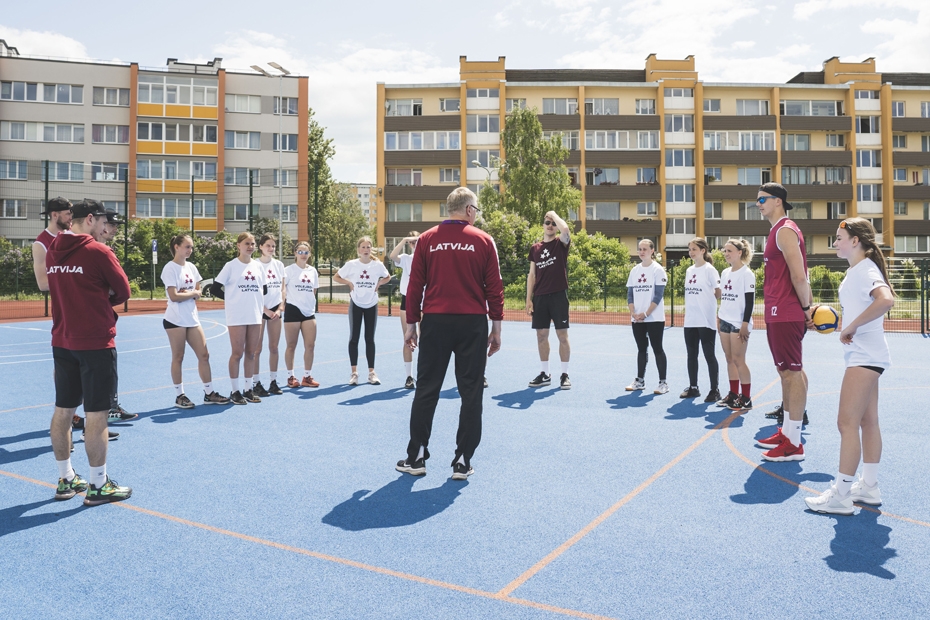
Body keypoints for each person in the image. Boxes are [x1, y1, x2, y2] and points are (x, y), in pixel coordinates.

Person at [395, 187, 503, 480]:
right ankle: (462, 460)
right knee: (471, 392)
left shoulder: (427, 239)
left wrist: (411, 324)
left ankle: (416, 456)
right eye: (477, 211)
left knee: (427, 389)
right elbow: (495, 288)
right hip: (472, 324)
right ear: (469, 210)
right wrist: (496, 327)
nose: (476, 216)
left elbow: (415, 285)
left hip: (436, 322)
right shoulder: (484, 240)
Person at [804, 218, 894, 514]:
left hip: (864, 356)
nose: (835, 242)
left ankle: (841, 494)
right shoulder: (859, 270)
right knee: (868, 421)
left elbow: (886, 300)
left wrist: (850, 327)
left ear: (856, 240)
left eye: (839, 237)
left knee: (846, 423)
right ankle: (868, 487)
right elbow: (864, 307)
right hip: (869, 354)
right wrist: (838, 325)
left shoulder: (865, 269)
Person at [46, 199, 132, 506]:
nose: (106, 227)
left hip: (62, 340)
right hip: (95, 341)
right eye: (104, 221)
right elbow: (123, 291)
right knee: (96, 415)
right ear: (92, 219)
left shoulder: (53, 249)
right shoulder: (98, 251)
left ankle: (66, 478)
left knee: (63, 410)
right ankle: (98, 485)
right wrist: (100, 299)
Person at [756, 183, 814, 462]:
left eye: (762, 199)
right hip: (777, 310)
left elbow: (800, 275)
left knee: (793, 373)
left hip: (787, 311)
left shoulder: (785, 230)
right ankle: (788, 432)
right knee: (786, 373)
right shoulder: (776, 230)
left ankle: (794, 443)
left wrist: (806, 309)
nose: (758, 204)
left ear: (778, 201)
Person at [161, 234, 229, 408]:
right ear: (177, 247)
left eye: (191, 247)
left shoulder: (191, 267)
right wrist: (190, 294)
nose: (190, 250)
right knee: (178, 357)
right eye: (187, 247)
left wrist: (189, 293)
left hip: (192, 319)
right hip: (175, 319)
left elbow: (197, 288)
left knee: (204, 355)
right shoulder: (170, 268)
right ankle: (179, 396)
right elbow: (174, 296)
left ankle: (209, 393)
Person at [212, 232, 266, 405]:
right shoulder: (231, 266)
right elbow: (215, 288)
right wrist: (233, 299)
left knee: (251, 352)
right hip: (237, 315)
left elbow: (263, 290)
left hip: (255, 315)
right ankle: (235, 391)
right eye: (246, 243)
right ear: (238, 245)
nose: (250, 246)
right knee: (237, 353)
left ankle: (248, 389)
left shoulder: (258, 266)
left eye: (253, 244)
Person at [333, 237, 392, 385]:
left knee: (369, 339)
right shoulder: (351, 265)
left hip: (372, 303)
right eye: (363, 247)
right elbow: (336, 277)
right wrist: (349, 283)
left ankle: (371, 373)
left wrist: (379, 284)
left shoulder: (377, 265)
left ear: (371, 249)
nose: (366, 250)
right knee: (354, 338)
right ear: (358, 250)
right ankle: (354, 373)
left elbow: (388, 277)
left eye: (368, 247)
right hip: (356, 303)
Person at [98, 208, 137, 423]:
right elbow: (120, 290)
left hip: (103, 316)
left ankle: (110, 407)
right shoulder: (96, 251)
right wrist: (106, 300)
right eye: (111, 225)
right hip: (95, 321)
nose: (114, 229)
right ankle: (98, 415)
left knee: (107, 367)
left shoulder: (107, 250)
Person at [526, 210, 572, 390]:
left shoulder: (560, 244)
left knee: (562, 336)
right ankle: (545, 373)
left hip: (559, 295)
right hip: (540, 297)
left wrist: (553, 214)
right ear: (543, 226)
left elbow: (566, 229)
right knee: (541, 335)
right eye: (547, 222)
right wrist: (528, 299)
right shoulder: (535, 248)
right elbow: (531, 275)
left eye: (553, 223)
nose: (550, 225)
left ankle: (565, 374)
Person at [625, 239, 669, 394]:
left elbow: (658, 296)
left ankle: (663, 383)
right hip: (637, 319)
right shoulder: (634, 270)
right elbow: (630, 295)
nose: (641, 251)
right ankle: (640, 380)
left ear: (652, 251)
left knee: (657, 348)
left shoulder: (658, 270)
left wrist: (645, 314)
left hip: (654, 318)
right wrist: (634, 313)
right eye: (639, 249)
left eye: (645, 249)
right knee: (641, 349)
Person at [716, 239, 755, 410]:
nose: (726, 254)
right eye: (725, 251)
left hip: (739, 323)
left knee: (739, 360)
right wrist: (719, 316)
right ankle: (733, 394)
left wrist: (745, 323)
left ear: (740, 252)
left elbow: (749, 301)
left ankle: (746, 398)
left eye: (730, 251)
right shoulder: (725, 272)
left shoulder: (747, 274)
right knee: (729, 359)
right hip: (724, 319)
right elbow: (724, 296)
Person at [680, 237, 721, 402]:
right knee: (691, 355)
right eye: (689, 249)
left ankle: (714, 390)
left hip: (706, 320)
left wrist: (708, 301)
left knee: (709, 355)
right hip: (690, 320)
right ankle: (693, 387)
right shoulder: (689, 270)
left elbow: (719, 292)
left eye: (694, 249)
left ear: (703, 251)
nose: (691, 252)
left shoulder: (710, 270)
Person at [283, 242, 320, 388]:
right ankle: (291, 376)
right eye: (300, 252)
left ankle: (307, 376)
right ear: (295, 253)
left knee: (310, 346)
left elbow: (314, 290)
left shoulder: (313, 271)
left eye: (306, 252)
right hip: (292, 310)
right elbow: (283, 290)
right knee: (291, 345)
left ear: (309, 254)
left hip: (309, 312)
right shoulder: (288, 270)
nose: (303, 255)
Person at [253, 234, 286, 397]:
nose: (271, 249)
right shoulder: (255, 265)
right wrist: (265, 310)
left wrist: (280, 309)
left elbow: (283, 289)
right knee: (256, 349)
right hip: (260, 310)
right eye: (268, 245)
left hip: (276, 310)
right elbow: (255, 291)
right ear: (260, 247)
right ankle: (255, 383)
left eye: (273, 246)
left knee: (274, 347)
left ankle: (273, 381)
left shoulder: (279, 265)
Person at [389, 231, 421, 389]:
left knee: (427, 340)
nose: (414, 244)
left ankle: (424, 375)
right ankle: (409, 376)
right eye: (412, 242)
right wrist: (403, 240)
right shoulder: (406, 259)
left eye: (417, 241)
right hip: (407, 300)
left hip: (425, 301)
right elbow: (392, 256)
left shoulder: (428, 257)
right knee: (408, 339)